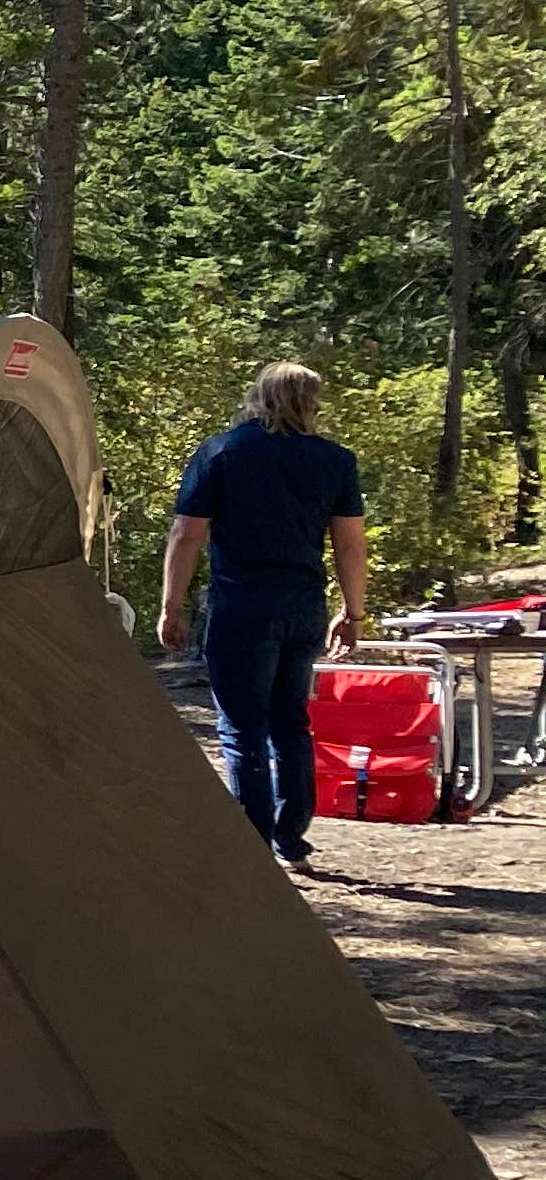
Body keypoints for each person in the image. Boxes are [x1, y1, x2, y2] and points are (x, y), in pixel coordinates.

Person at [156, 361, 370, 869]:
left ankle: (251, 845)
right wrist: (354, 611)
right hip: (303, 605)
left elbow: (187, 534)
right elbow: (350, 544)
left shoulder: (222, 451)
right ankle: (290, 837)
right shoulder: (334, 460)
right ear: (309, 402)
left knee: (242, 727)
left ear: (258, 396)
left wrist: (171, 604)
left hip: (242, 604)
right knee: (290, 722)